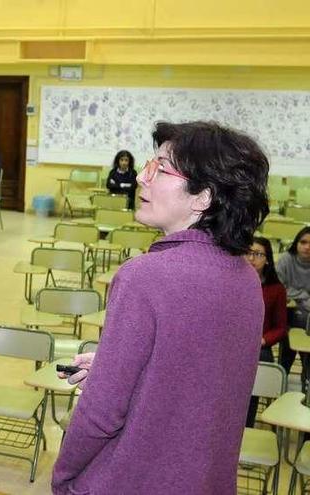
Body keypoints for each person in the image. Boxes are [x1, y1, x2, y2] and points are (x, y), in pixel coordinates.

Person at [52, 121, 270, 494]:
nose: (141, 177)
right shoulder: (246, 279)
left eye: (161, 167)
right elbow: (198, 384)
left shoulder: (144, 276)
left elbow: (102, 415)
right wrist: (116, 371)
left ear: (202, 197)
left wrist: (65, 475)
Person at [245, 236, 287, 428]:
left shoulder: (276, 289)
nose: (252, 258)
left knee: (260, 362)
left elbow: (280, 328)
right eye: (248, 252)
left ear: (268, 259)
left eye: (258, 254)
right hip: (230, 344)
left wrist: (262, 340)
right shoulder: (232, 281)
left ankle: (247, 426)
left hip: (258, 345)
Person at [275, 226, 310, 382]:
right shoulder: (285, 260)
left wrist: (295, 296)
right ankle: (283, 376)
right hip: (288, 314)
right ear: (296, 242)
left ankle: (306, 379)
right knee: (297, 319)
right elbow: (279, 288)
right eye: (303, 242)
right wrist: (303, 295)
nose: (307, 247)